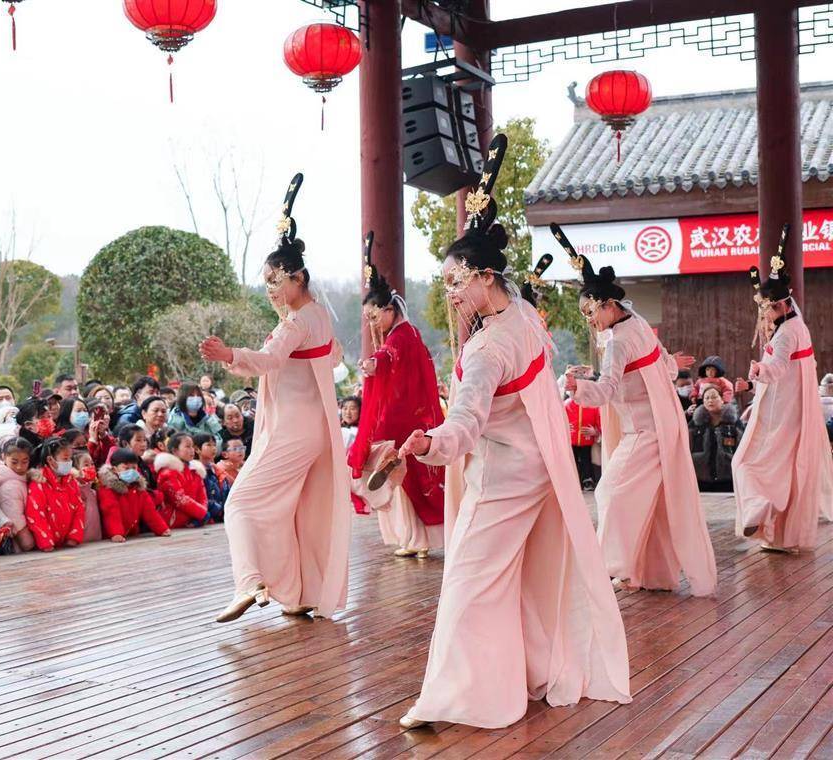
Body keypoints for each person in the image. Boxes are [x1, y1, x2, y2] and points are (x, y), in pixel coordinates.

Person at [395, 142, 629, 730]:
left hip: (501, 478)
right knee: (517, 578)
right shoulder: (521, 315)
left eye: (454, 281)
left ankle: (460, 696)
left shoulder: (486, 348)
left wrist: (431, 445)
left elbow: (467, 422)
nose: (449, 292)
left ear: (481, 276)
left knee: (469, 582)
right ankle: (520, 673)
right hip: (540, 471)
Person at [199, 173, 351, 622]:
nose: (269, 289)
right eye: (265, 281)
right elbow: (333, 356)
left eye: (274, 280)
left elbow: (269, 360)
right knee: (286, 509)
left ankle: (249, 581)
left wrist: (229, 354)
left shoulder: (297, 321)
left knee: (241, 502)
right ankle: (294, 590)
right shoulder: (319, 316)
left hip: (291, 431)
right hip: (312, 430)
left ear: (298, 277)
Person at [557, 223, 716, 596]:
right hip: (660, 426)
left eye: (590, 312)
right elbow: (660, 363)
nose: (590, 321)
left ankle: (613, 566)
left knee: (609, 491)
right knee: (651, 502)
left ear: (608, 305)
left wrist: (577, 388)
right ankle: (651, 572)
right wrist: (671, 363)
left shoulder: (618, 342)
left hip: (644, 432)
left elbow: (609, 389)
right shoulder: (639, 324)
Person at [349, 233, 446, 558]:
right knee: (406, 477)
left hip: (405, 417)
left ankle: (416, 539)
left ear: (390, 309)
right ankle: (415, 539)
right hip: (409, 414)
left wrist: (375, 363)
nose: (372, 322)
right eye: (368, 318)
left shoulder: (401, 337)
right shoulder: (406, 332)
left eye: (375, 315)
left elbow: (390, 356)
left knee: (402, 476)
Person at [733, 241, 833, 548]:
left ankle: (758, 509)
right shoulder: (794, 325)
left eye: (767, 309)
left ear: (782, 305)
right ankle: (777, 536)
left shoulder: (788, 331)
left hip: (782, 413)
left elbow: (775, 369)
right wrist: (754, 381)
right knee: (783, 468)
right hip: (789, 410)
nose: (765, 316)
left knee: (746, 462)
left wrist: (757, 371)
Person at [24, 437, 86, 552]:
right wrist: (46, 542)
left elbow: (79, 508)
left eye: (70, 459)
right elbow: (36, 515)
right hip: (47, 548)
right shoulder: (39, 482)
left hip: (69, 545)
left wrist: (74, 537)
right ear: (50, 460)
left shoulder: (71, 481)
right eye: (65, 459)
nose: (69, 463)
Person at [97, 448, 170, 543]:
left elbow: (149, 511)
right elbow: (111, 512)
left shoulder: (138, 488)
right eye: (126, 468)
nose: (131, 471)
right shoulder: (107, 489)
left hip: (132, 535)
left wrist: (161, 529)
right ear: (115, 469)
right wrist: (116, 533)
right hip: (111, 537)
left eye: (134, 468)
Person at [0, 437, 38, 552]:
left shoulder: (20, 478)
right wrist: (30, 542)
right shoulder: (11, 486)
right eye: (14, 462)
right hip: (19, 548)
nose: (19, 467)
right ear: (3, 457)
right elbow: (16, 520)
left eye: (24, 461)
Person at [689, 386, 741, 492]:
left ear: (722, 399)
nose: (710, 401)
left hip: (728, 479)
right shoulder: (695, 423)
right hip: (701, 478)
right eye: (706, 398)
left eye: (713, 397)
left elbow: (743, 446)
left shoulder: (734, 422)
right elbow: (686, 446)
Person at [153, 433, 209, 529]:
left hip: (193, 519)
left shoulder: (195, 470)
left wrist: (202, 512)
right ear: (175, 450)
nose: (192, 450)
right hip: (173, 521)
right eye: (187, 446)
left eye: (192, 446)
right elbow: (179, 499)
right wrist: (202, 513)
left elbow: (202, 496)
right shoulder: (167, 472)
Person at [564, 389, 601, 490]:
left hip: (587, 441)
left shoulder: (593, 406)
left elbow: (600, 424)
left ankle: (587, 480)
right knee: (573, 461)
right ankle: (574, 482)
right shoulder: (566, 405)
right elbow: (560, 421)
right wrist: (566, 429)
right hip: (571, 441)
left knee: (586, 460)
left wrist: (595, 432)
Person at [192, 433, 228, 524]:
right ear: (197, 449)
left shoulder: (217, 471)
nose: (214, 448)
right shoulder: (194, 471)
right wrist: (219, 510)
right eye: (209, 445)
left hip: (219, 518)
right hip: (205, 519)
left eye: (214, 445)